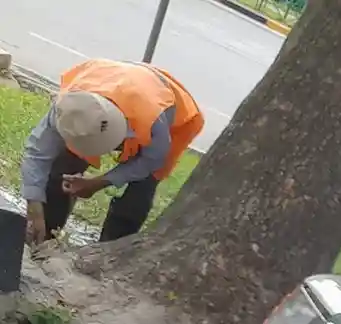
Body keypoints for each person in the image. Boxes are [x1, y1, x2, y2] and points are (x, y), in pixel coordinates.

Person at [19, 59, 204, 246]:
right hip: (111, 82)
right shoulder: (69, 108)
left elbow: (150, 161)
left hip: (170, 112)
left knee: (141, 189)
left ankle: (111, 248)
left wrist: (99, 183)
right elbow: (37, 153)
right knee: (63, 167)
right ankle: (45, 237)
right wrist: (34, 209)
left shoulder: (153, 123)